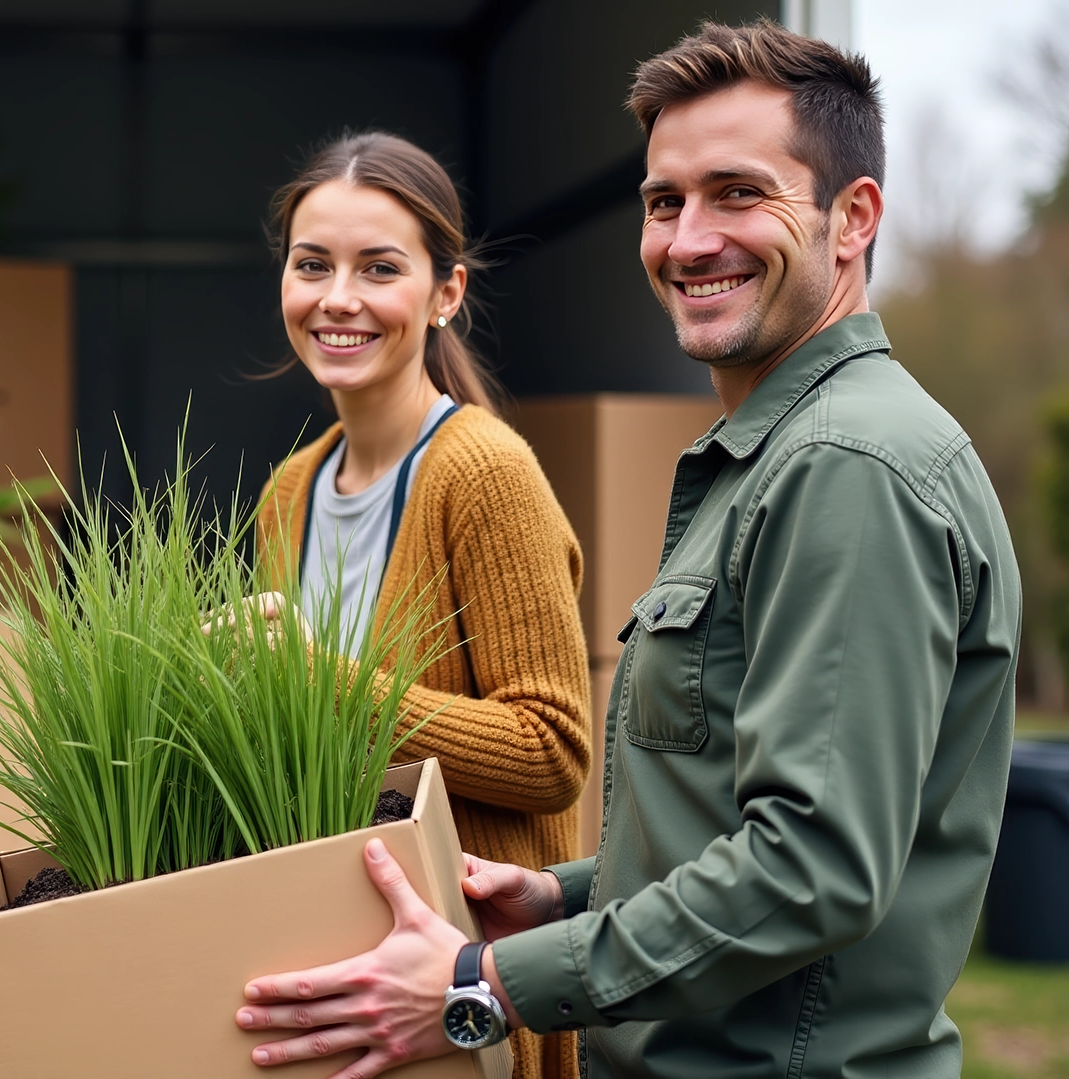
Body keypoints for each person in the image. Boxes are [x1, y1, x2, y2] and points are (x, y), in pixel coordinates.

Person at [235, 21, 1021, 1079]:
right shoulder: (769, 457)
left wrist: (487, 983)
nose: (688, 240)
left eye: (739, 193)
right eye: (664, 202)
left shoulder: (849, 465)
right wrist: (563, 893)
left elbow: (812, 868)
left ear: (854, 219)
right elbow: (735, 818)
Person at [252, 131, 593, 1079]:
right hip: (331, 971)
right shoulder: (289, 490)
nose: (339, 298)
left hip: (463, 988)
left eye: (379, 267)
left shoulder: (483, 474)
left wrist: (322, 684)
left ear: (446, 293)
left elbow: (554, 750)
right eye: (312, 264)